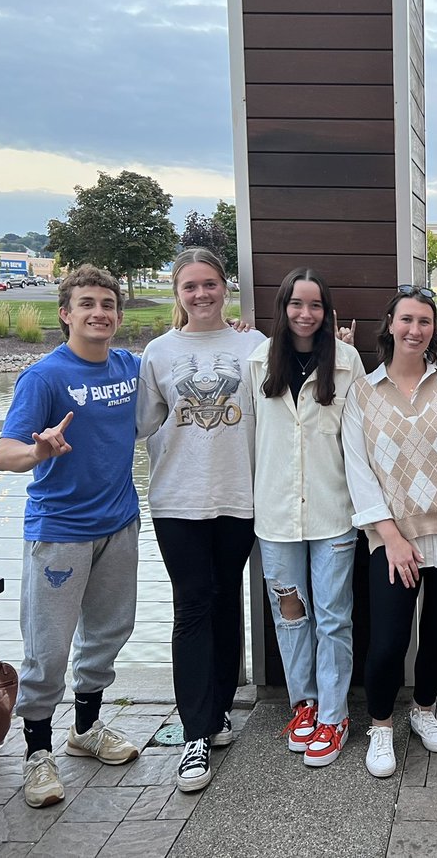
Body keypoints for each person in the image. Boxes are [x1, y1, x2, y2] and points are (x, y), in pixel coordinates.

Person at [0, 264, 142, 809]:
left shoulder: (130, 366)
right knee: (48, 647)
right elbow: (4, 453)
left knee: (108, 633)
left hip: (120, 524)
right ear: (66, 313)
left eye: (107, 303)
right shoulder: (44, 378)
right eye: (87, 304)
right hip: (61, 533)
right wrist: (38, 450)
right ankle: (37, 753)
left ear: (118, 315)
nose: (99, 312)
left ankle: (86, 729)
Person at [342, 285, 437, 778]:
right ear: (389, 324)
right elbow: (358, 474)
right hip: (393, 540)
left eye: (424, 321)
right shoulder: (362, 393)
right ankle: (380, 725)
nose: (414, 329)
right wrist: (391, 537)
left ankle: (424, 710)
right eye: (406, 319)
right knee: (386, 641)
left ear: (433, 331)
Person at [135, 248, 266, 791]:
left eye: (210, 284)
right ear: (178, 294)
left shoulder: (253, 346)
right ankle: (193, 733)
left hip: (239, 496)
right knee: (192, 604)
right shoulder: (159, 353)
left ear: (225, 288)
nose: (202, 295)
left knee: (226, 597)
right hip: (178, 501)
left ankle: (218, 714)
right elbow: (145, 424)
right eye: (190, 287)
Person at [246, 268, 365, 768]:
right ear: (283, 306)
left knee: (334, 617)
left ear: (327, 311)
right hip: (275, 517)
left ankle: (334, 715)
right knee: (291, 616)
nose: (305, 314)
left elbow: (357, 442)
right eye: (297, 303)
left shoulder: (346, 362)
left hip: (332, 514)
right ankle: (305, 705)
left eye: (315, 305)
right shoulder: (255, 362)